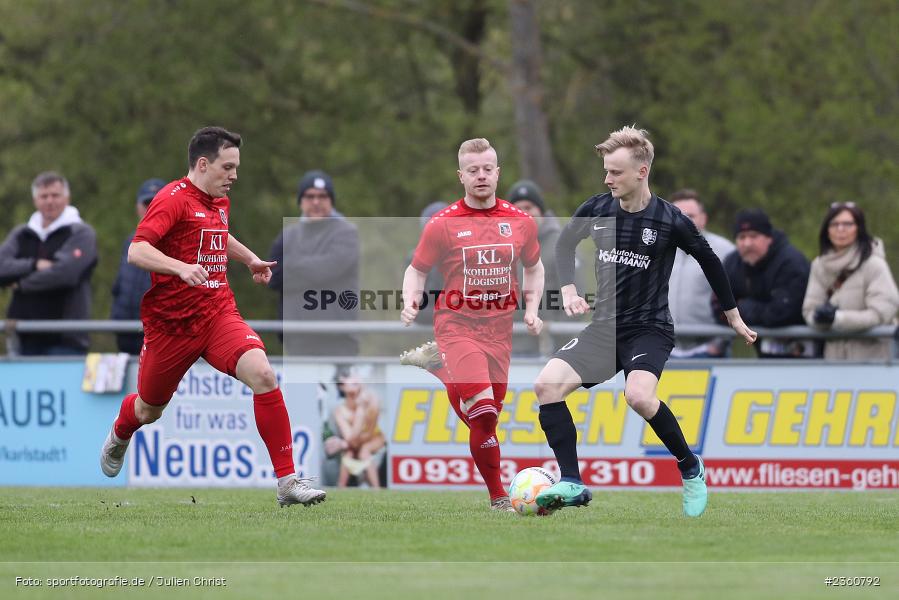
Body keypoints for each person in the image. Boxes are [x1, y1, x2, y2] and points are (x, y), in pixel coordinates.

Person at [532, 126, 756, 518]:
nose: (607, 179)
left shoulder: (671, 220)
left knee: (637, 396)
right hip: (604, 328)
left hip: (648, 329)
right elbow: (564, 244)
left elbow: (710, 261)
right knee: (546, 387)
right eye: (605, 171)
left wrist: (734, 316)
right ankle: (572, 481)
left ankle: (690, 467)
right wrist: (568, 289)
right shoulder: (597, 208)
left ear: (642, 171)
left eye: (615, 172)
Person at [99, 127, 325, 507]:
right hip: (172, 326)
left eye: (236, 167)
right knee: (149, 409)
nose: (234, 175)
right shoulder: (171, 199)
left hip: (217, 312)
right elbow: (137, 251)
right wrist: (179, 268)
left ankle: (287, 483)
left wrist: (249, 257)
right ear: (203, 164)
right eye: (228, 167)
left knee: (264, 374)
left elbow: (218, 233)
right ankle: (121, 432)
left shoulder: (219, 200)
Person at [400, 138, 545, 511]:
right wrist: (410, 300)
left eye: (487, 169)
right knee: (483, 411)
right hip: (456, 327)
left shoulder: (520, 222)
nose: (480, 176)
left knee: (486, 418)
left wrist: (531, 308)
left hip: (500, 333)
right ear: (461, 175)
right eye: (473, 170)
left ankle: (440, 371)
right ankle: (499, 498)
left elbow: (534, 266)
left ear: (497, 173)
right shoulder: (443, 225)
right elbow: (416, 270)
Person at [0, 171, 98, 355]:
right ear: (35, 200)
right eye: (44, 196)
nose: (50, 201)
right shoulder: (22, 233)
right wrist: (33, 265)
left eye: (55, 195)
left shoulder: (82, 233)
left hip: (65, 341)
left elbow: (66, 274)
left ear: (67, 197)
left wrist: (21, 283)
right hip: (23, 338)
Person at [269, 170, 360, 356]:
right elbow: (272, 277)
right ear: (301, 201)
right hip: (296, 337)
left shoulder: (347, 232)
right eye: (310, 196)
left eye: (322, 196)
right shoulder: (289, 235)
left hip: (337, 338)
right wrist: (314, 270)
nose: (316, 202)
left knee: (340, 386)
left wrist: (290, 265)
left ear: (331, 200)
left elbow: (330, 268)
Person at [803, 202, 899, 360]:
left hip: (873, 360)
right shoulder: (819, 265)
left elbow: (881, 313)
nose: (841, 229)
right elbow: (809, 311)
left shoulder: (874, 264)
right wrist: (820, 318)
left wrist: (838, 319)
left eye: (847, 224)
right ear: (827, 230)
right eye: (834, 224)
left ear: (858, 228)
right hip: (834, 362)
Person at [716, 208, 813, 358]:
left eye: (754, 236)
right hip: (762, 350)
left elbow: (783, 313)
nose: (747, 243)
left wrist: (742, 308)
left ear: (769, 238)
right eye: (742, 237)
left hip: (802, 351)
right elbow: (719, 307)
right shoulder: (732, 262)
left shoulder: (791, 262)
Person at [667, 189, 735, 358]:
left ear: (703, 219)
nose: (682, 221)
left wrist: (720, 343)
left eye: (690, 216)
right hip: (663, 350)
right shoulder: (653, 249)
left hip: (708, 351)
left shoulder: (725, 251)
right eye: (677, 215)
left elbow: (738, 298)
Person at [506, 180, 565, 356]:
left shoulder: (562, 244)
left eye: (529, 207)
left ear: (540, 210)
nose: (525, 213)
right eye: (518, 209)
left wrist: (555, 330)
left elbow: (576, 296)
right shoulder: (500, 245)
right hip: (508, 347)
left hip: (548, 349)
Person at [110, 178, 165, 354]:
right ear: (138, 207)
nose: (150, 209)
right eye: (146, 203)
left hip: (161, 337)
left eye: (156, 203)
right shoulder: (129, 241)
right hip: (126, 336)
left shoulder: (180, 241)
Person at [332, 369, 386, 488]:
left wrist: (350, 442)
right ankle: (340, 490)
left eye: (353, 376)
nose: (353, 379)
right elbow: (350, 438)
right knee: (349, 453)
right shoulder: (340, 411)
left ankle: (376, 490)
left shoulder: (372, 399)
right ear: (341, 387)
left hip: (374, 439)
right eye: (346, 378)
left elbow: (370, 431)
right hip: (354, 444)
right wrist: (361, 410)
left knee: (364, 451)